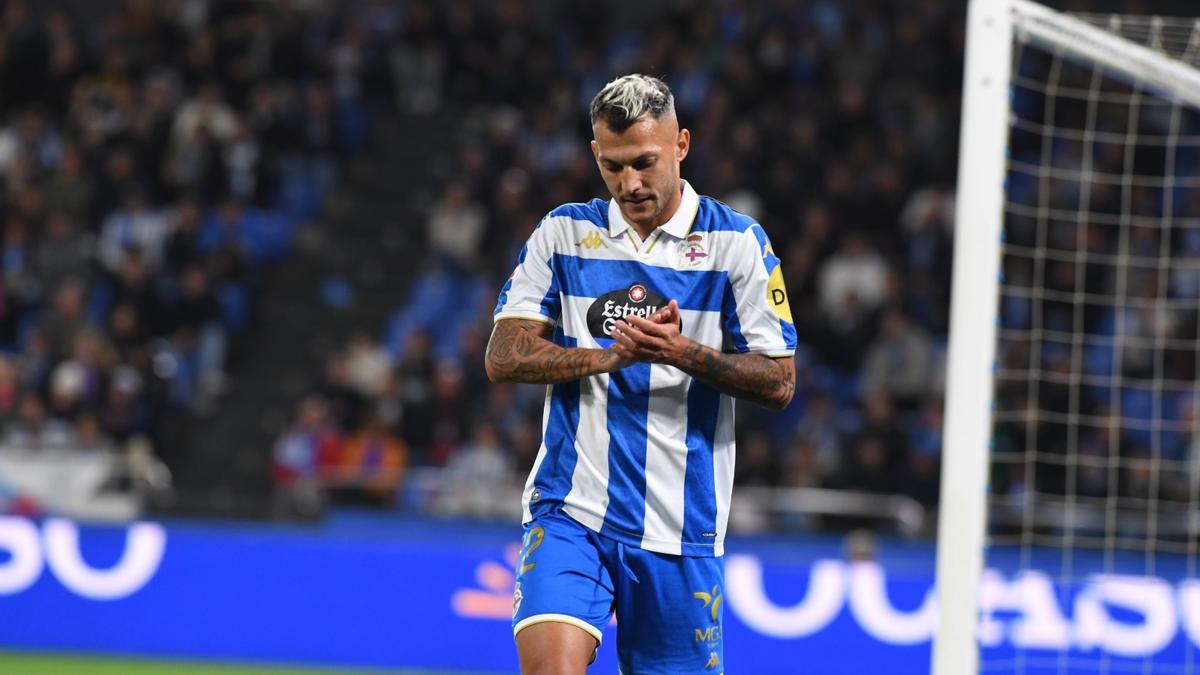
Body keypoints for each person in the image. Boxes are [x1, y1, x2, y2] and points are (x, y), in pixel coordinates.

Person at [485, 74, 796, 675]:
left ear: (681, 144)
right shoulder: (565, 234)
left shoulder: (737, 246)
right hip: (571, 509)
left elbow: (780, 381)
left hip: (682, 533)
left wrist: (684, 354)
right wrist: (603, 357)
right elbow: (502, 355)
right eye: (613, 166)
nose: (629, 184)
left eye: (645, 163)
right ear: (595, 157)